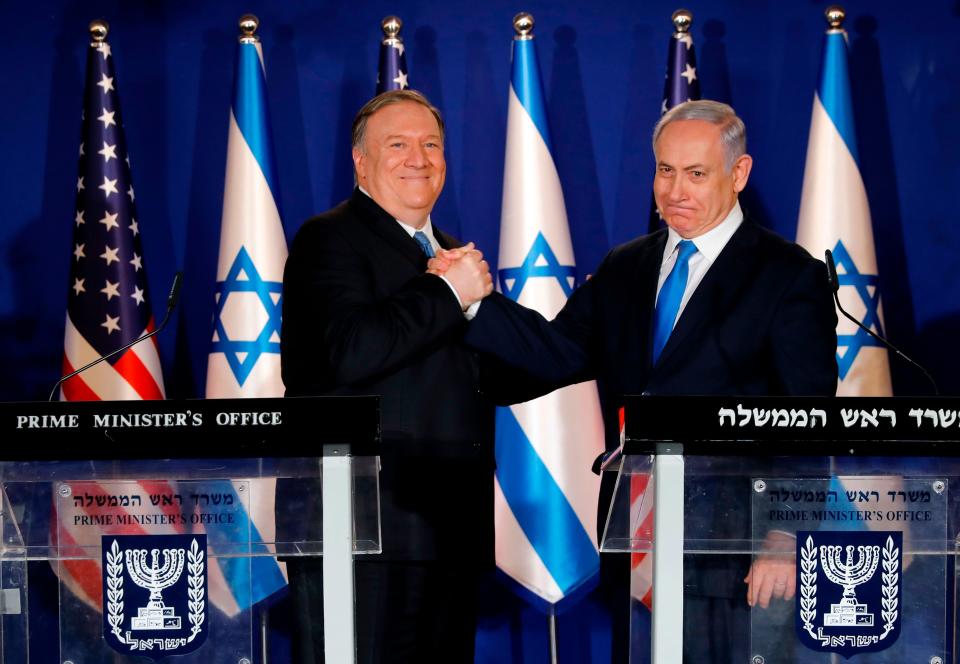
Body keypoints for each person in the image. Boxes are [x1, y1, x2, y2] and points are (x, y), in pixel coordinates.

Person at [431, 100, 839, 661]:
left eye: (696, 174)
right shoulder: (627, 265)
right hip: (636, 533)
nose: (675, 191)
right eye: (665, 171)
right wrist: (477, 307)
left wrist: (786, 536)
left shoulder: (788, 275)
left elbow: (809, 419)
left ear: (738, 174)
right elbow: (553, 353)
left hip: (734, 549)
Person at [280, 89, 495, 663]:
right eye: (397, 145)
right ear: (360, 161)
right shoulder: (328, 239)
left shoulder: (452, 254)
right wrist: (447, 292)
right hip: (361, 531)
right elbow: (349, 351)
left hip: (449, 531)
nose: (418, 158)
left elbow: (486, 376)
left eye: (431, 144)